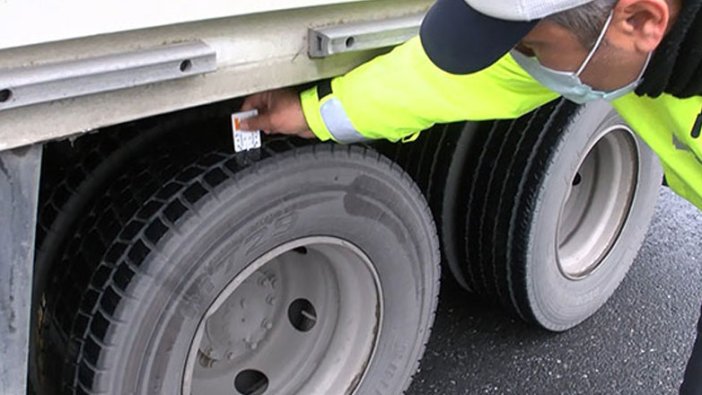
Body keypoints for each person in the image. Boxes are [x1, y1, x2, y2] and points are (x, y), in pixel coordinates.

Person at [239, 0, 702, 392]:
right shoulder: (610, 40)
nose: (523, 62)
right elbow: (448, 81)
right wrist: (310, 113)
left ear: (641, 22)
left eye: (530, 47)